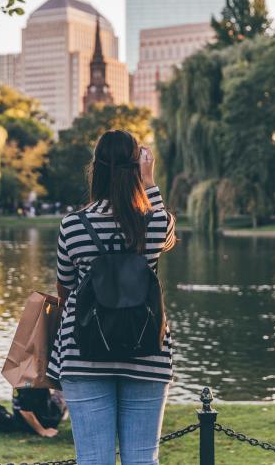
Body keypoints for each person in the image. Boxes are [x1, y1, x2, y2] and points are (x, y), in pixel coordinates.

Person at [47, 130, 176, 465]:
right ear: (137, 167)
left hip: (84, 353)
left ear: (96, 170)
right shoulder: (153, 221)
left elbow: (65, 289)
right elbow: (167, 231)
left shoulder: (73, 225)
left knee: (92, 459)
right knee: (143, 459)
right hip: (146, 351)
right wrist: (149, 181)